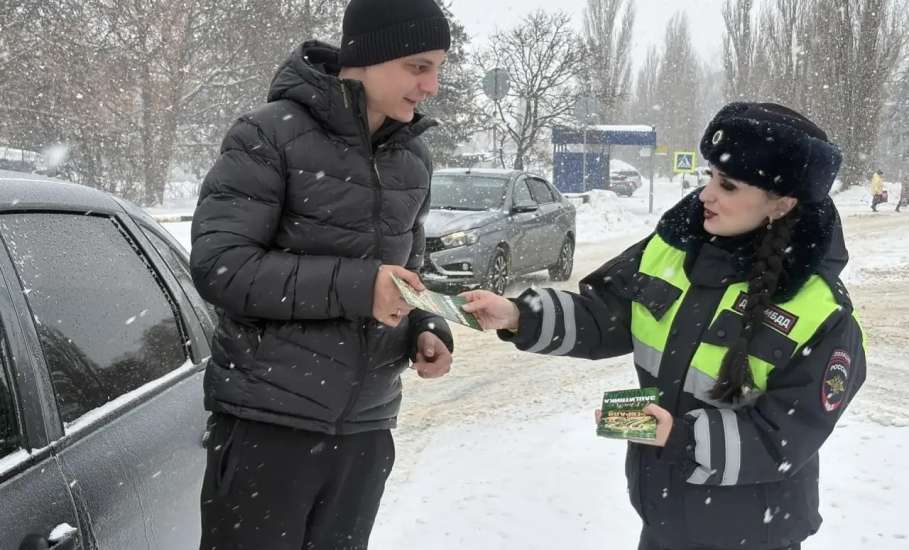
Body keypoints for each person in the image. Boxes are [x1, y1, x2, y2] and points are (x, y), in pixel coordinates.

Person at [462, 103, 866, 550]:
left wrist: (679, 436)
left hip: (754, 533)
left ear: (782, 203)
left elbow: (783, 438)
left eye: (727, 185)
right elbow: (605, 314)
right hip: (663, 521)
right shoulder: (673, 249)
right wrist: (520, 315)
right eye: (710, 176)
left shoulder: (819, 312)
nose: (706, 195)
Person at [189, 1, 454, 548]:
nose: (431, 86)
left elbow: (412, 274)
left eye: (438, 69)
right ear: (369, 56)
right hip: (269, 423)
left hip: (365, 431)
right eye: (418, 66)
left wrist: (428, 326)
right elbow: (223, 268)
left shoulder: (413, 159)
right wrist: (361, 288)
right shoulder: (267, 136)